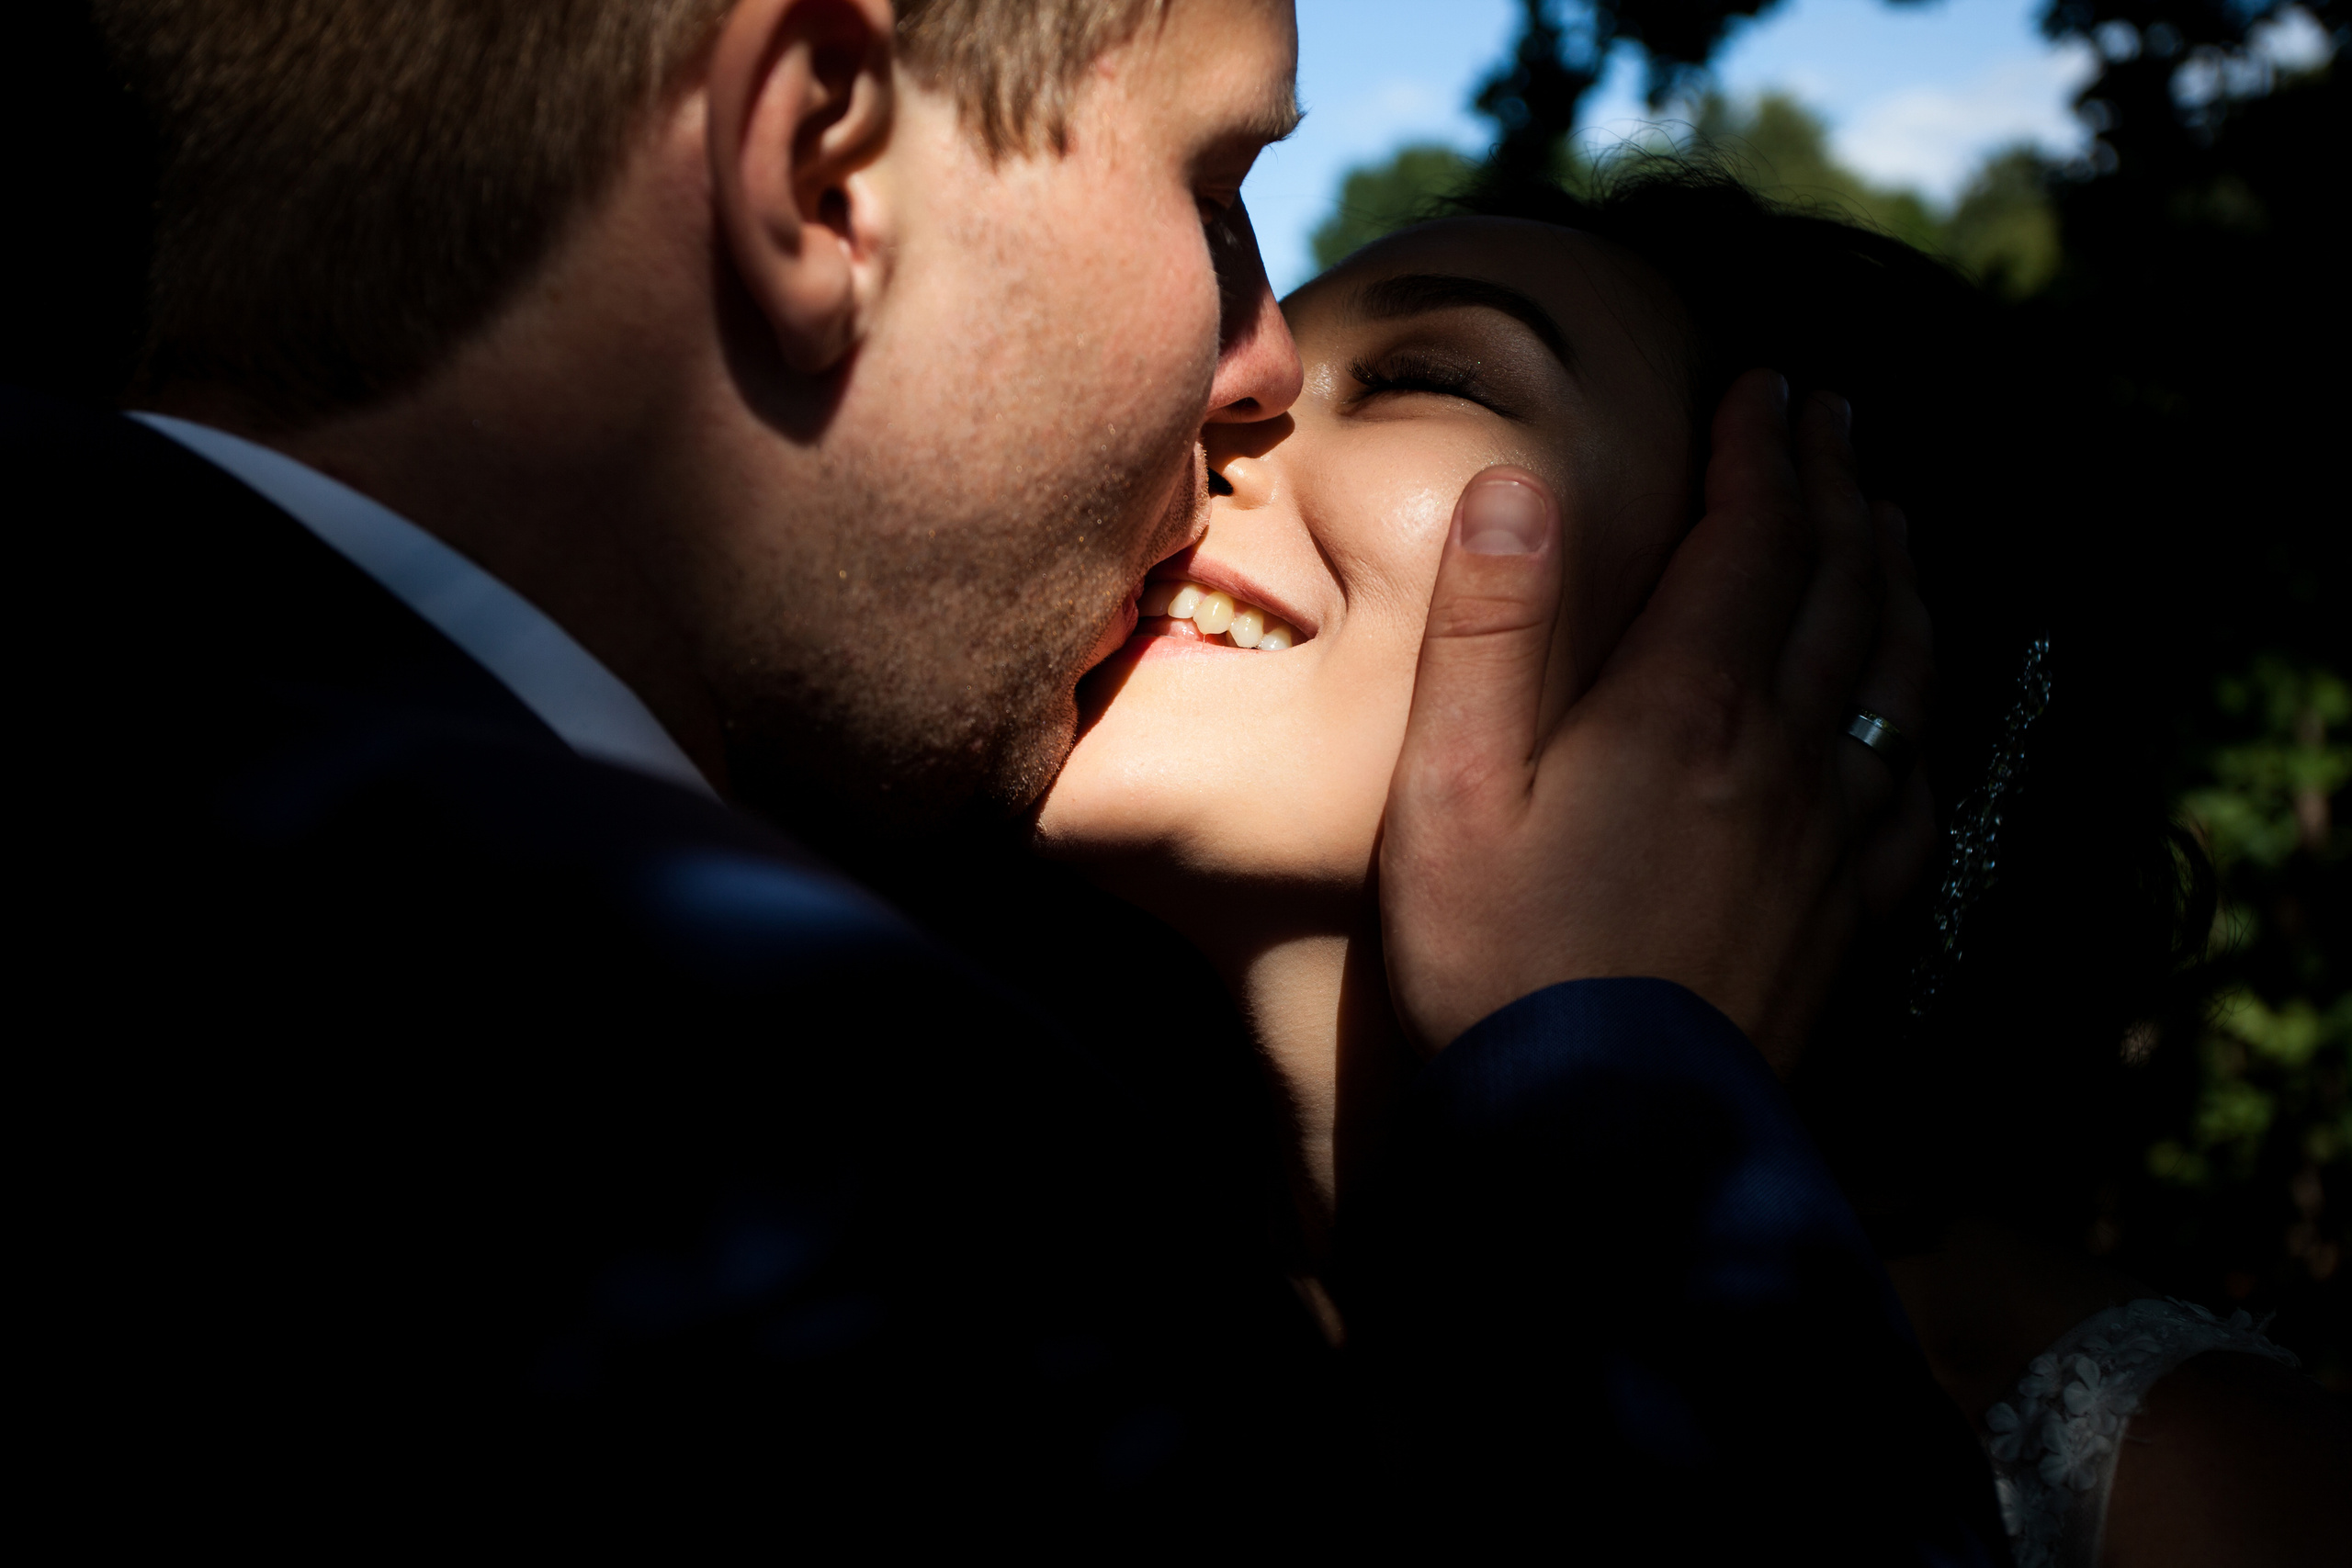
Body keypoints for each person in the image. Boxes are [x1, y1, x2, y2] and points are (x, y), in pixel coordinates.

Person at [20, 0, 1992, 1554]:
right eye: (1213, 186)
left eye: (1431, 374)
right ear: (822, 163)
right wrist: (1634, 1108)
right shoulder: (886, 1176)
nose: (1248, 374)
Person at [1035, 165, 2350, 1563]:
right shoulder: (990, 1296)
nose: (1214, 410)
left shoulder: (2190, 1489)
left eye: (1429, 377)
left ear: (1779, 652)